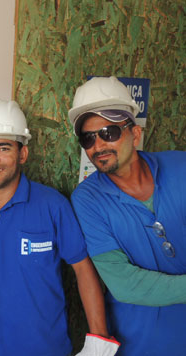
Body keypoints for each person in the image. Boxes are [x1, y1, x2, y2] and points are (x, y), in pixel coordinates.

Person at [0, 99, 120, 356]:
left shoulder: (52, 205)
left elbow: (83, 268)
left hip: (48, 349)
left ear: (23, 154)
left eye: (3, 148)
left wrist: (99, 337)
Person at [68, 76, 186, 356]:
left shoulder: (181, 167)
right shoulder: (87, 199)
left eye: (109, 132)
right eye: (88, 138)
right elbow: (124, 284)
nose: (98, 146)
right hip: (142, 343)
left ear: (135, 134)